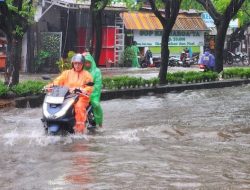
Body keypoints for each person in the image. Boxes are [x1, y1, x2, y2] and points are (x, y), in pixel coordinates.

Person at [46, 54, 93, 133]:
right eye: (75, 63)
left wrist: (83, 90)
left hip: (81, 97)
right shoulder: (66, 73)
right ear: (73, 64)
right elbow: (58, 81)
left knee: (79, 106)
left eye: (79, 64)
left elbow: (90, 86)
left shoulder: (87, 75)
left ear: (83, 64)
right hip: (66, 95)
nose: (77, 65)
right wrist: (51, 85)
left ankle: (80, 128)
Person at [82, 52, 103, 128]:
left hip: (93, 94)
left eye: (88, 62)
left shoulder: (96, 71)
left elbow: (97, 85)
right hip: (81, 94)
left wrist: (90, 93)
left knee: (96, 105)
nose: (87, 64)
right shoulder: (81, 71)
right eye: (85, 62)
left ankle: (99, 123)